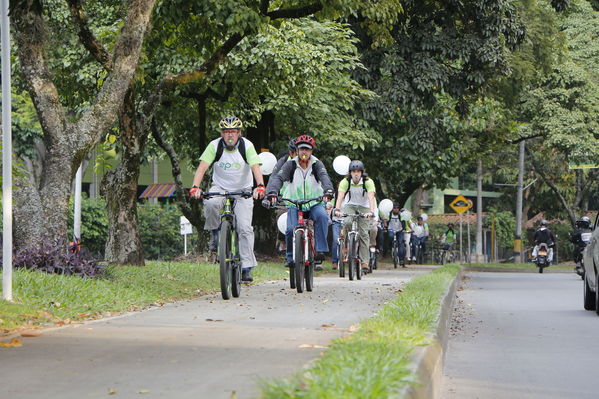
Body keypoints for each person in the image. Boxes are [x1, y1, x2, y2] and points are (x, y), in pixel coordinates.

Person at [190, 116, 265, 282]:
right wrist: (195, 187)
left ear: (239, 133)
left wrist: (260, 186)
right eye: (226, 131)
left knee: (245, 228)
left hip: (243, 189)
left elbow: (255, 167)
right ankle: (215, 234)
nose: (229, 135)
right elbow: (202, 168)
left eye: (233, 131)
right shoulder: (214, 146)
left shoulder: (247, 145)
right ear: (222, 133)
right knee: (210, 203)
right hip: (220, 188)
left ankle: (246, 267)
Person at [266, 135, 334, 271]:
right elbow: (279, 178)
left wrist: (328, 191)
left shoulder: (317, 164)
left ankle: (320, 250)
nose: (304, 152)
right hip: (294, 203)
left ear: (311, 151)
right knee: (291, 229)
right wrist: (272, 192)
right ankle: (290, 257)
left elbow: (324, 178)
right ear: (296, 151)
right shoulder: (289, 165)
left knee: (322, 217)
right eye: (301, 149)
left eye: (307, 150)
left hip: (314, 202)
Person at [334, 160, 377, 274]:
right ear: (350, 173)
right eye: (353, 172)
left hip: (364, 206)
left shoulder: (368, 182)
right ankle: (347, 245)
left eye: (358, 171)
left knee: (363, 233)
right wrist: (337, 210)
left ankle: (364, 262)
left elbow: (371, 198)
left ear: (362, 172)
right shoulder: (345, 182)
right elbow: (340, 197)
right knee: (347, 222)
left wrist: (371, 212)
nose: (356, 174)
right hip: (350, 205)